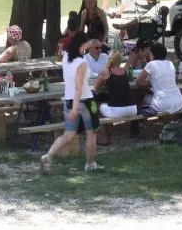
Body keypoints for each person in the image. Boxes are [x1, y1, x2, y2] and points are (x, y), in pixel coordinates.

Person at [40, 32, 103, 173]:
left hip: (67, 99)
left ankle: (48, 156)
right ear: (84, 44)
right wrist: (75, 108)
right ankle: (90, 163)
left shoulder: (66, 57)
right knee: (91, 132)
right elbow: (79, 87)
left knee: (68, 134)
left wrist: (73, 106)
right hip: (84, 100)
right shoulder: (82, 63)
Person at [134, 42, 182, 115]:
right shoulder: (170, 63)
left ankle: (140, 123)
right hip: (178, 101)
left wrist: (150, 82)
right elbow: (175, 80)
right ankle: (165, 121)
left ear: (152, 54)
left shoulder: (151, 64)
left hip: (162, 104)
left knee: (141, 97)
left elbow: (138, 81)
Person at [95, 50, 137, 119]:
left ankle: (103, 129)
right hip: (132, 109)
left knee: (99, 104)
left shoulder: (106, 71)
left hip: (117, 111)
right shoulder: (124, 71)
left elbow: (96, 87)